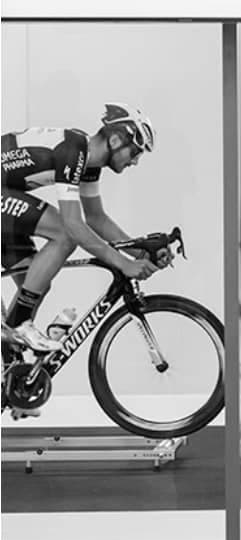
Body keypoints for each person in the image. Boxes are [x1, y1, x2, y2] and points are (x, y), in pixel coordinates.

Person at [2, 104, 161, 353]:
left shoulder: (88, 163)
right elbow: (74, 226)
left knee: (36, 282)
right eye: (135, 152)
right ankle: (20, 326)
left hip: (8, 199)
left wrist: (141, 252)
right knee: (64, 234)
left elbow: (97, 219)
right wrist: (123, 263)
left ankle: (8, 367)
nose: (136, 161)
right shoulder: (73, 150)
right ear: (117, 139)